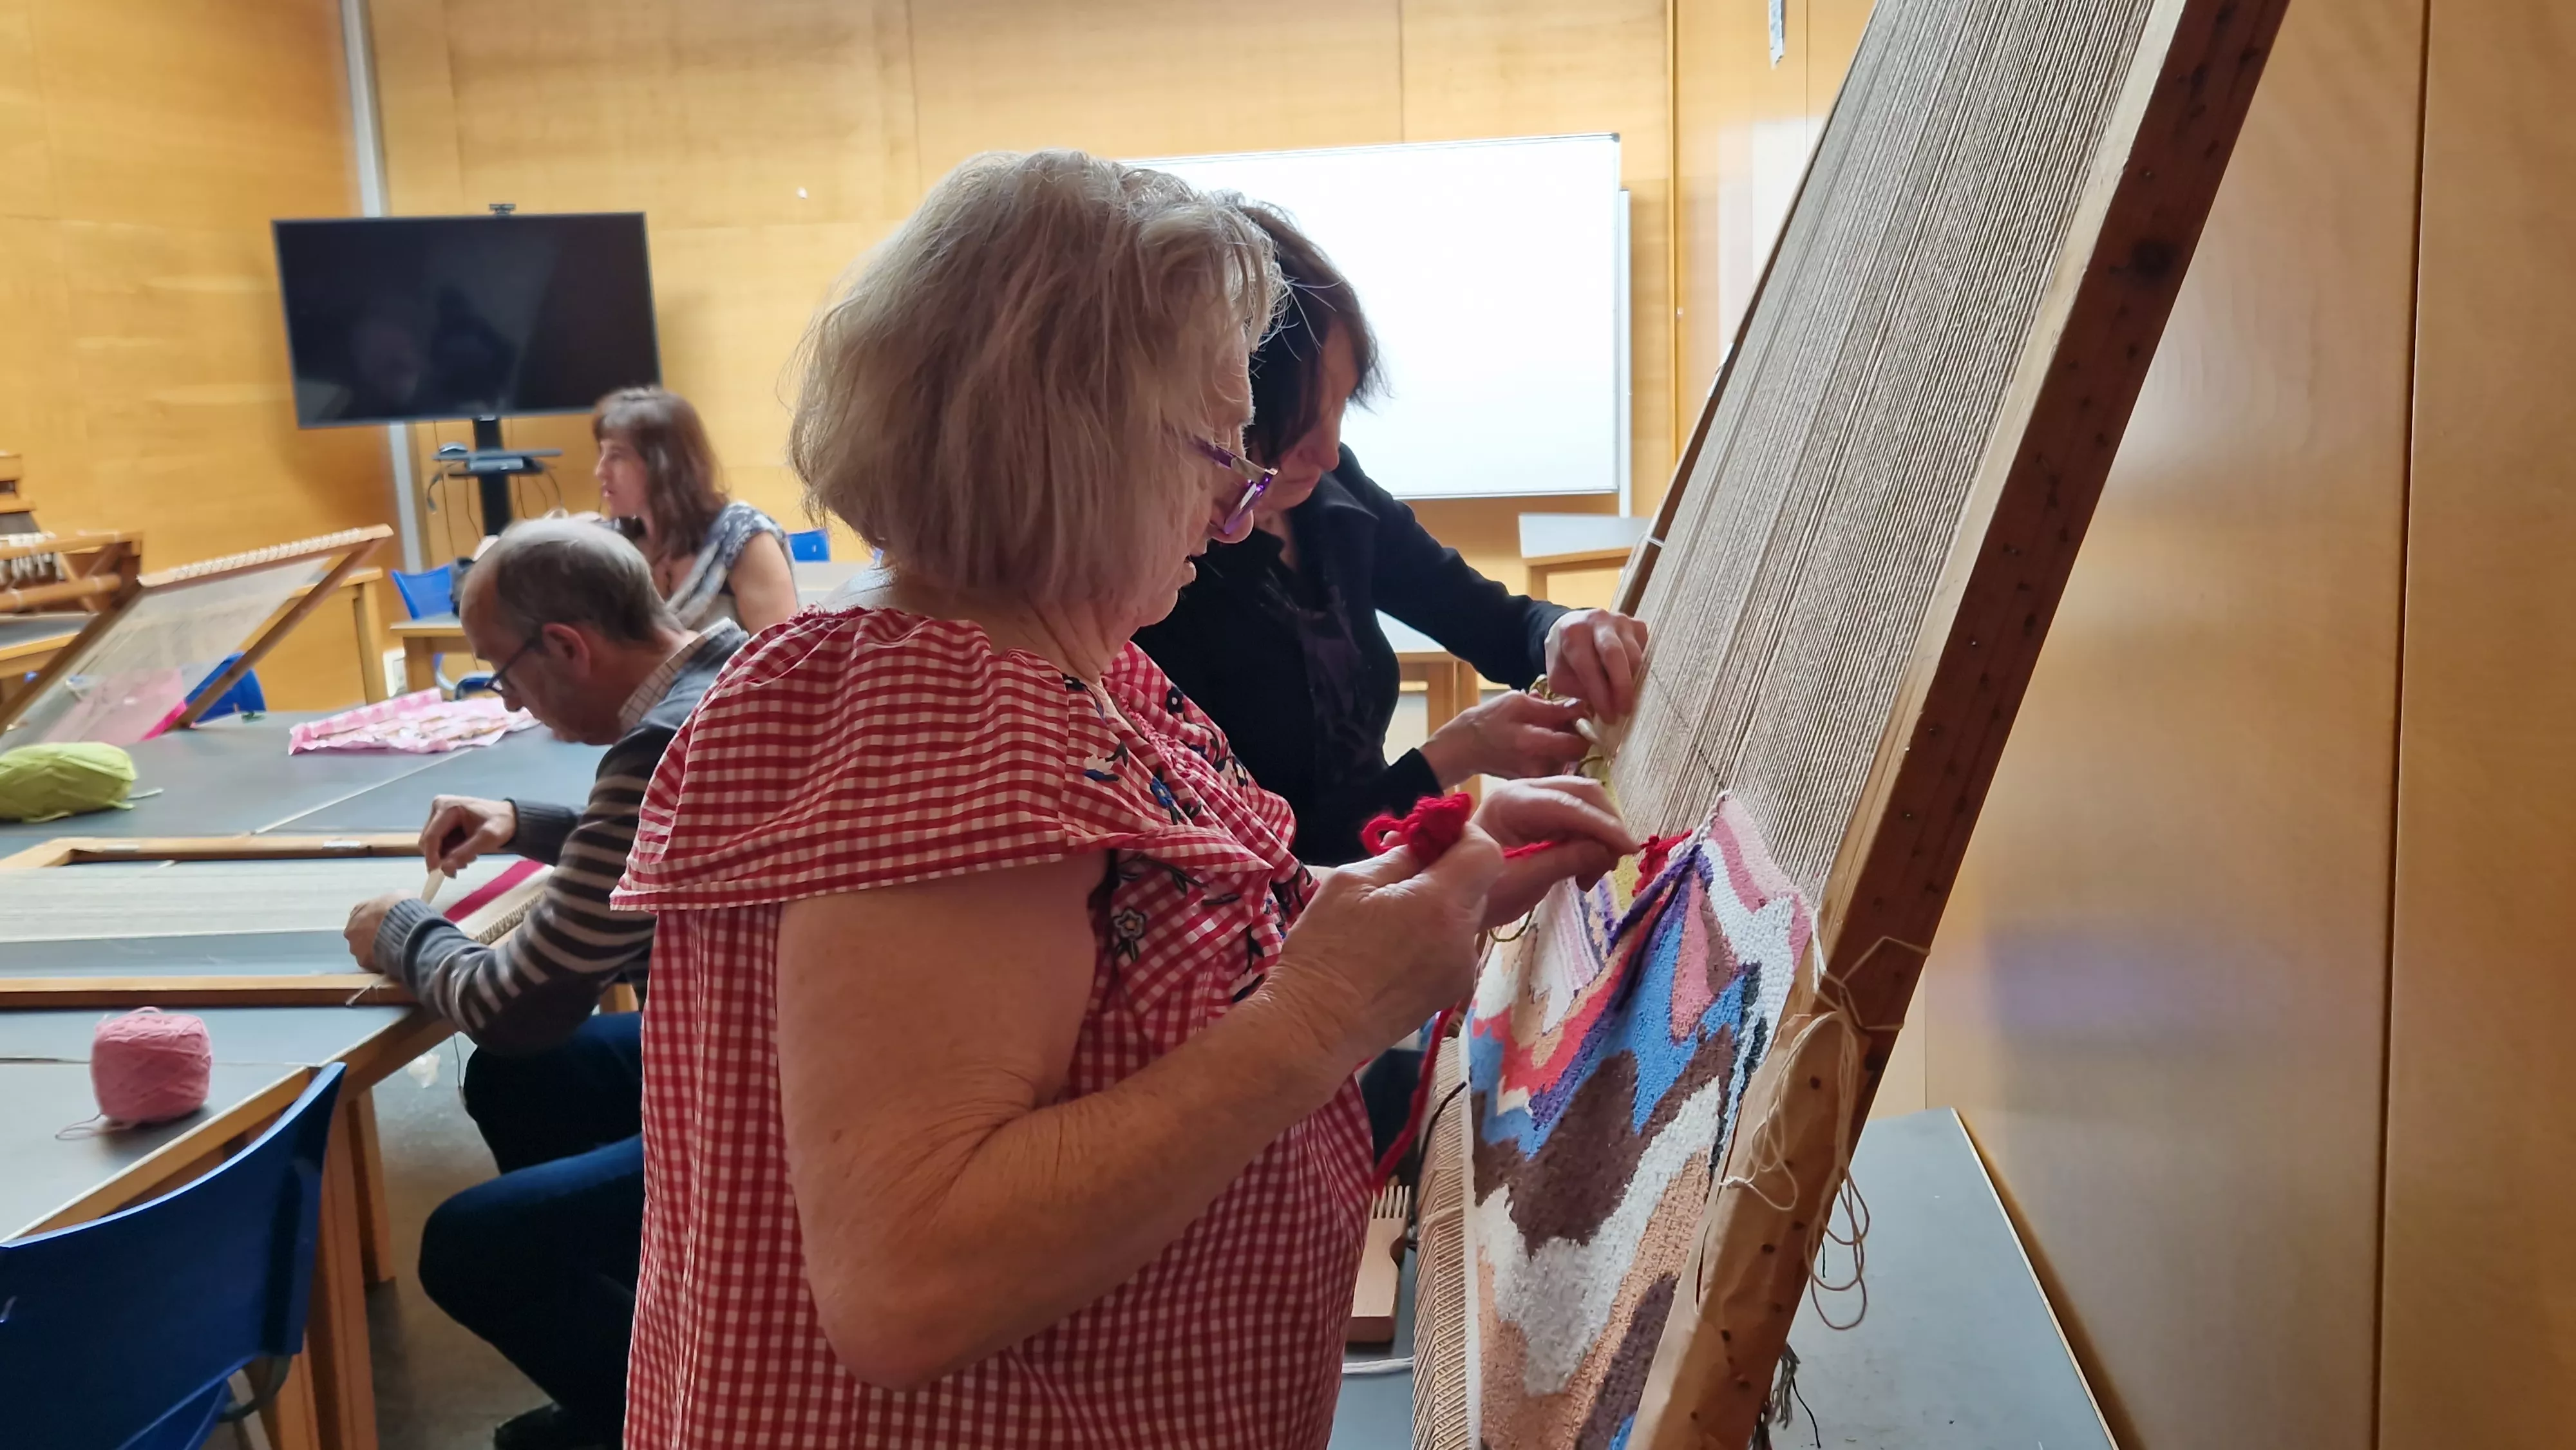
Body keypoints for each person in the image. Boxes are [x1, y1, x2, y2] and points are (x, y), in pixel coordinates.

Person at [608, 150, 1635, 1449]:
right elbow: (910, 1280)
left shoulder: (1050, 661)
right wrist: (1326, 1009)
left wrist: (1427, 874)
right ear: (1076, 444)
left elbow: (1144, 953)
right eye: (1219, 452)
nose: (1227, 513)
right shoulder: (939, 717)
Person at [340, 520, 746, 1450]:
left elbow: (515, 1006)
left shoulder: (657, 748)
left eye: (504, 674)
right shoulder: (726, 672)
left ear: (566, 644)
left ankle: (664, 1415)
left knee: (476, 1246)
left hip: (771, 1098)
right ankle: (653, 1333)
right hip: (771, 1040)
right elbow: (664, 846)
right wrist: (530, 822)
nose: (514, 706)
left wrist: (399, 932)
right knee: (527, 1079)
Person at [1135, 202, 1653, 866]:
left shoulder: (1330, 493)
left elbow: (1486, 617)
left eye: (1340, 409)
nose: (1326, 454)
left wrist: (1563, 630)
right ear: (1221, 418)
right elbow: (1259, 863)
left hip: (1376, 882)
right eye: (1291, 428)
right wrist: (1453, 755)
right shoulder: (1166, 586)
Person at [590, 385, 798, 632]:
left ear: (664, 465)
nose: (600, 471)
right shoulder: (614, 546)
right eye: (602, 454)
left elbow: (784, 660)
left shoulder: (742, 538)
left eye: (617, 456)